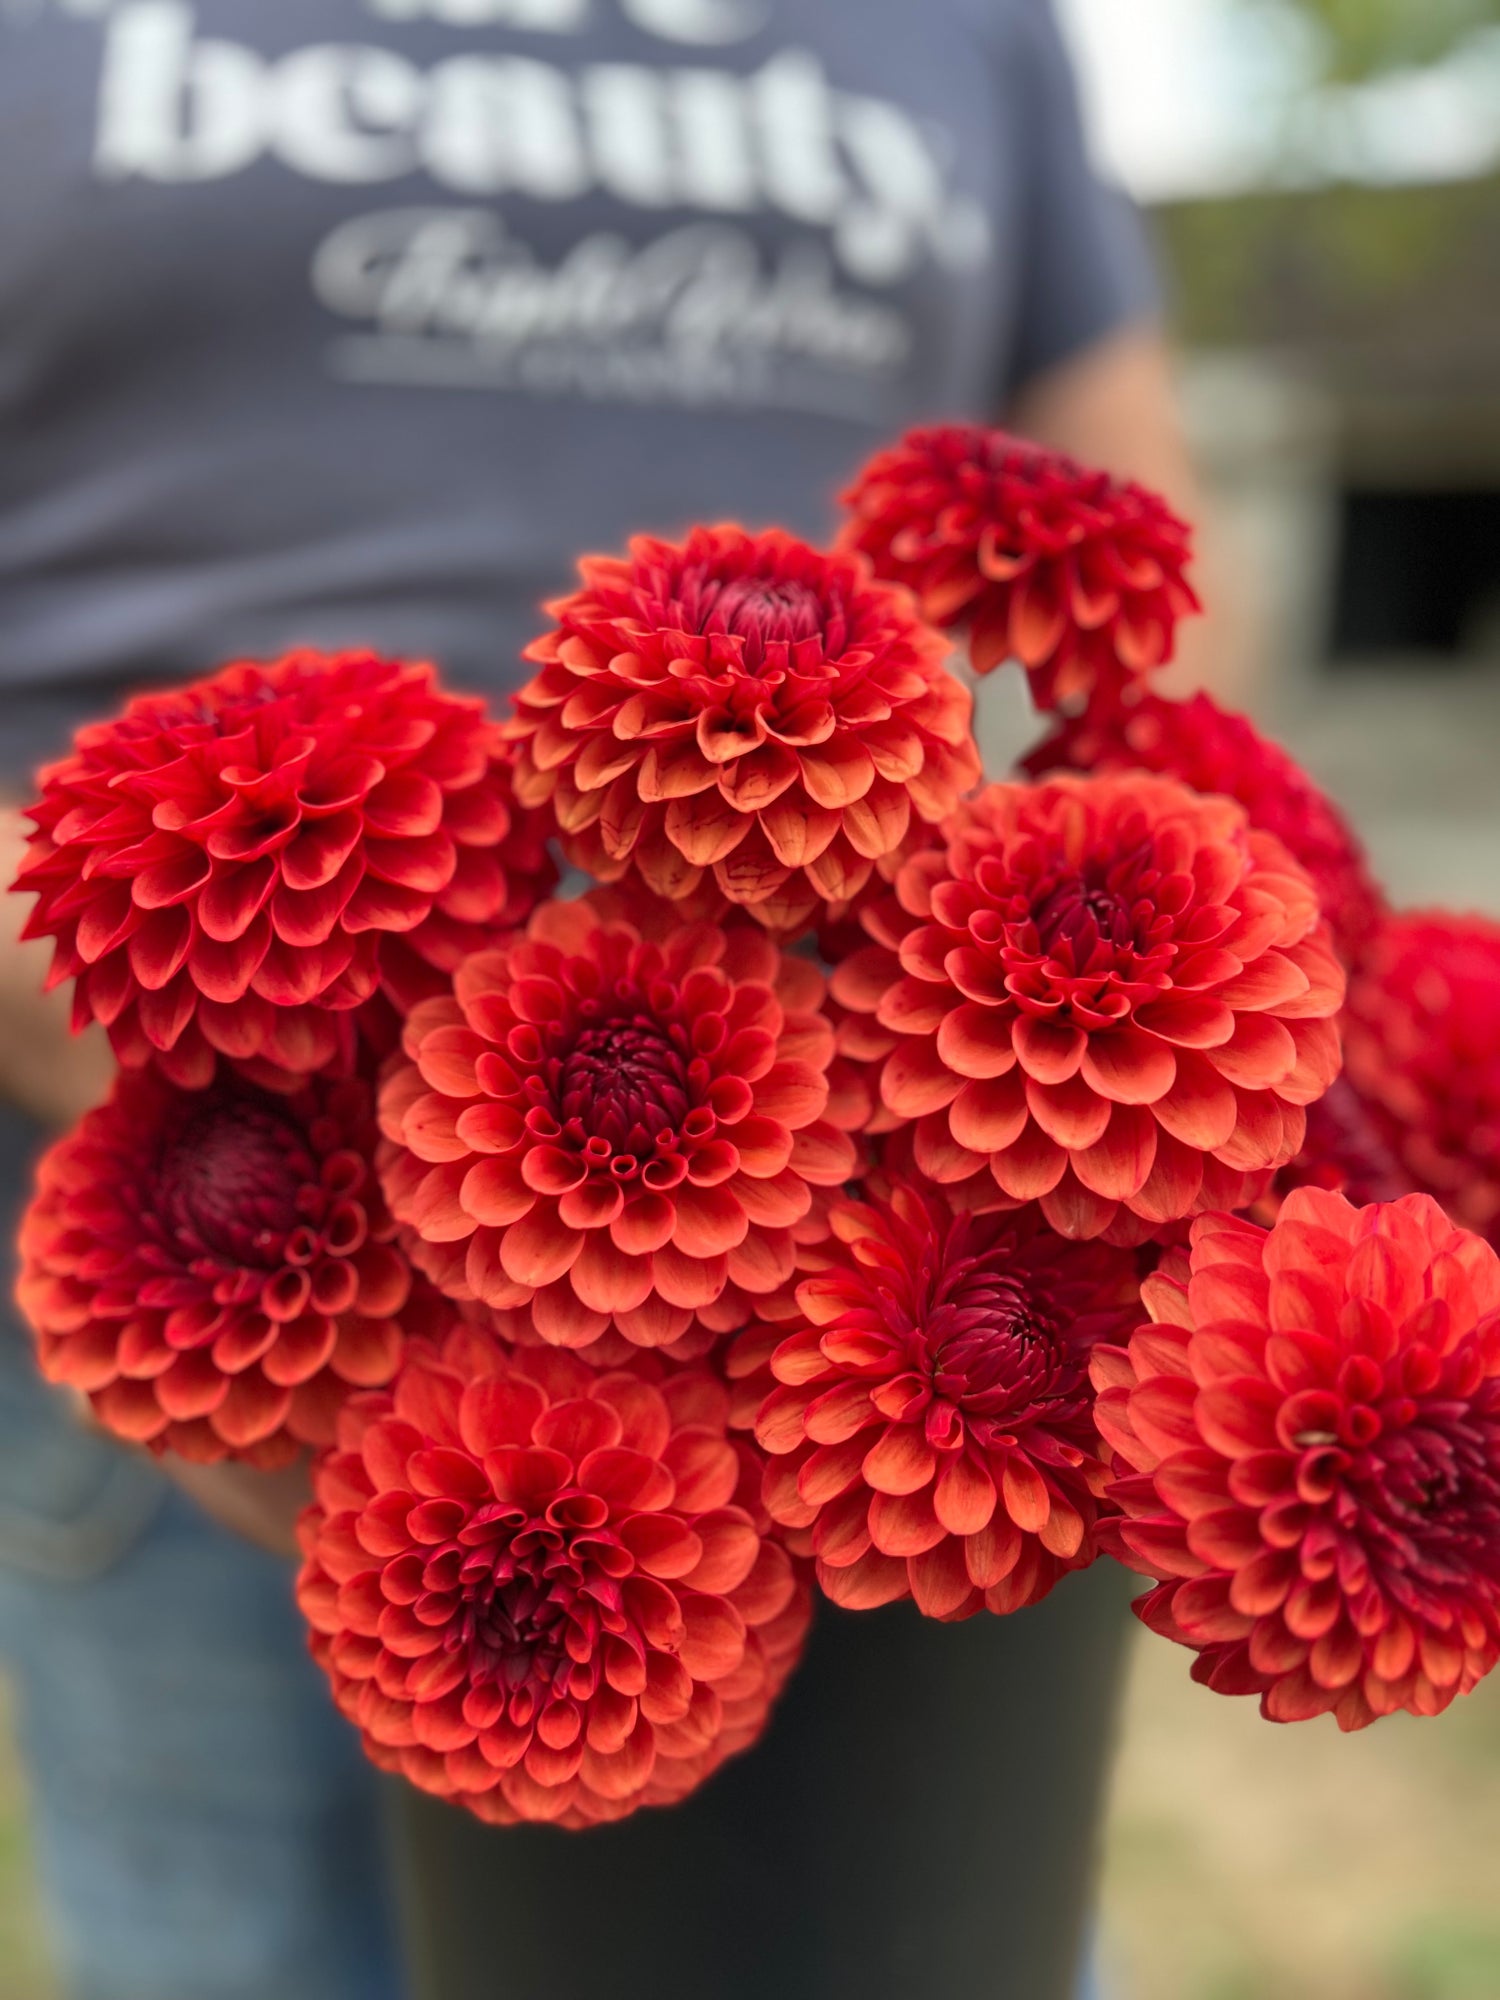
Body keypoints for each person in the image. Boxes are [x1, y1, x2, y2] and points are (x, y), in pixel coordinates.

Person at [0, 3, 1201, 1995]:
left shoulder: (969, 26)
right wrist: (71, 980)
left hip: (904, 1182)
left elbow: (1139, 521)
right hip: (147, 1154)